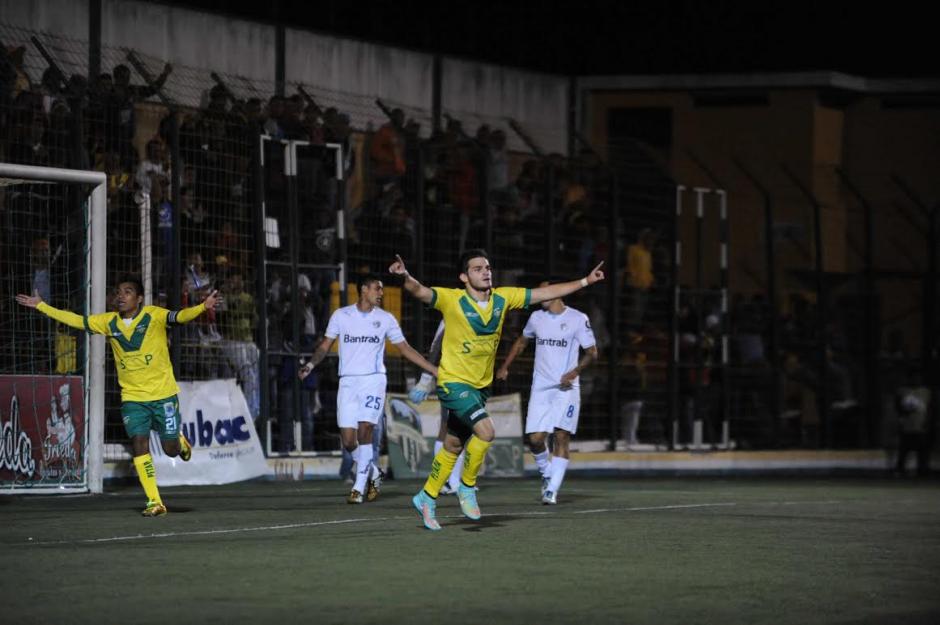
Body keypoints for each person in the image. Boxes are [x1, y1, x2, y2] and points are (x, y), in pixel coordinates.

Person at [389, 249, 605, 531]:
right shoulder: (453, 300)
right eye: (478, 268)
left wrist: (585, 281)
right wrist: (405, 276)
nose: (485, 272)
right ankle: (467, 487)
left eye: (488, 267)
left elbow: (545, 293)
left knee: (453, 444)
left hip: (480, 387)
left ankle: (426, 496)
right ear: (464, 277)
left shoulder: (502, 298)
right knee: (486, 431)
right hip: (454, 383)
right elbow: (420, 291)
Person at [16, 275, 219, 517]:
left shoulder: (153, 315)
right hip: (132, 397)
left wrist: (202, 307)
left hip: (163, 395)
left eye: (128, 291)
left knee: (170, 449)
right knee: (139, 442)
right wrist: (42, 305)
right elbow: (77, 321)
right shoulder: (108, 321)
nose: (121, 296)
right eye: (118, 292)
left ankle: (180, 443)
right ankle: (154, 501)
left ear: (139, 298)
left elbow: (179, 316)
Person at [298, 273, 438, 503]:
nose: (381, 293)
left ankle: (358, 488)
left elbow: (405, 348)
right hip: (348, 382)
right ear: (363, 289)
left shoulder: (386, 319)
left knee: (365, 429)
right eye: (377, 288)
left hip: (373, 381)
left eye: (381, 289)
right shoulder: (341, 315)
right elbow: (325, 345)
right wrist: (311, 364)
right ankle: (374, 473)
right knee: (348, 441)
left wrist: (432, 369)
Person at [496, 281, 597, 504]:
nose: (540, 295)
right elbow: (522, 342)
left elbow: (592, 352)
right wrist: (505, 366)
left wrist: (575, 371)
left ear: (557, 293)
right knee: (535, 439)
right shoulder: (536, 318)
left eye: (544, 292)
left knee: (561, 436)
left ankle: (551, 490)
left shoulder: (577, 318)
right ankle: (547, 473)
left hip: (566, 388)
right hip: (541, 387)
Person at [408, 320, 467, 495]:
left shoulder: (479, 314)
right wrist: (425, 380)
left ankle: (451, 481)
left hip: (468, 377)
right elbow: (436, 348)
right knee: (448, 427)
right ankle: (447, 481)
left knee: (462, 430)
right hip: (451, 377)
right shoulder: (453, 313)